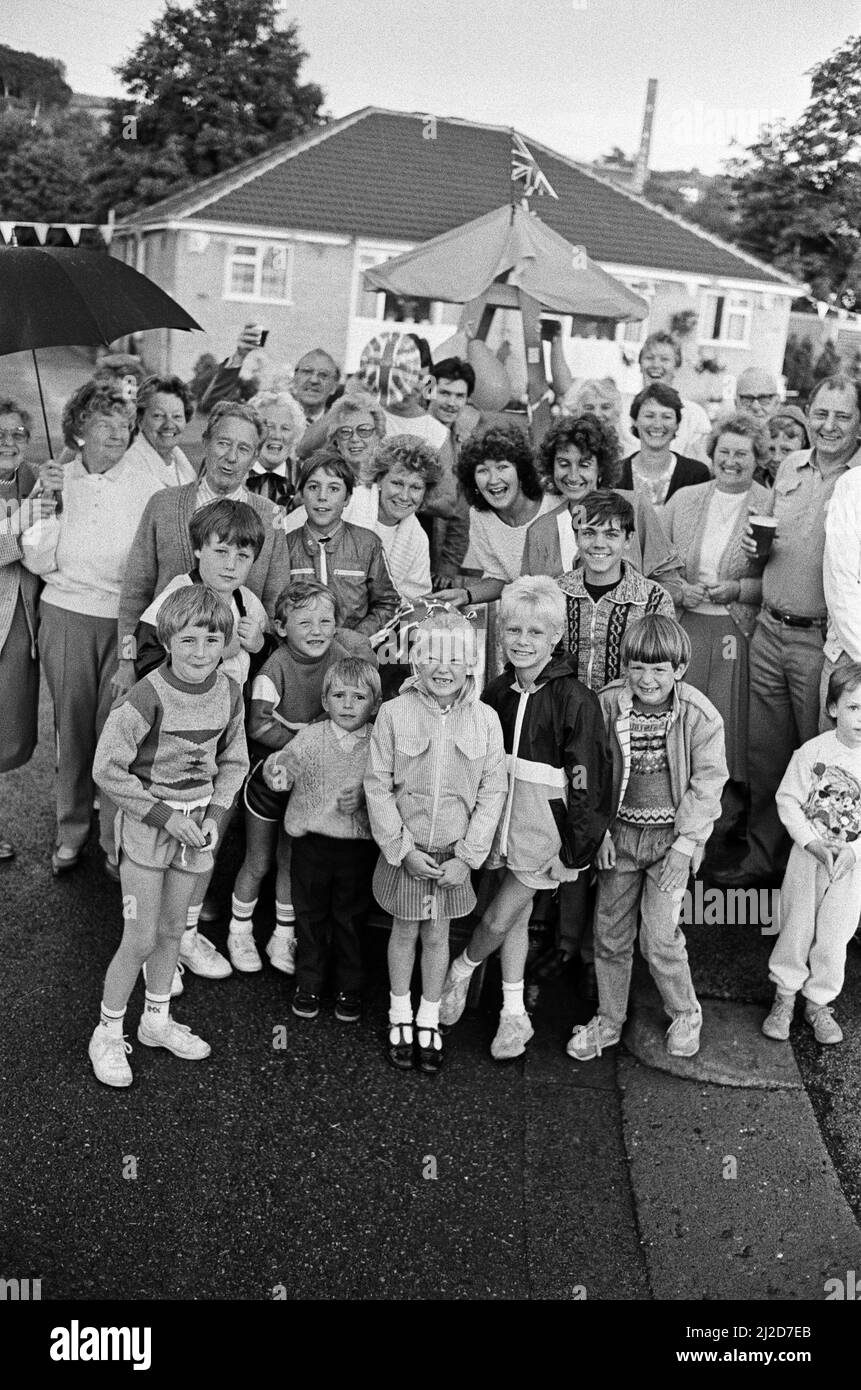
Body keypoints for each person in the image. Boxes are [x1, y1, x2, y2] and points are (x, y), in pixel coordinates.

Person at [438, 578, 613, 1059]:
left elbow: (587, 779)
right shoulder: (497, 691)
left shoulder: (576, 699)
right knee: (513, 918)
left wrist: (576, 849)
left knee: (498, 914)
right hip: (500, 822)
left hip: (546, 830)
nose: (522, 640)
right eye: (513, 629)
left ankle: (461, 968)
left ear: (555, 637)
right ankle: (513, 1015)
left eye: (535, 632)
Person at [88, 586, 249, 1087]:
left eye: (212, 640)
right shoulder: (145, 695)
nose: (200, 653)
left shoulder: (229, 692)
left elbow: (234, 762)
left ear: (225, 643)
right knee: (137, 938)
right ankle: (108, 1033)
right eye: (189, 641)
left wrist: (213, 818)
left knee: (171, 933)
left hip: (197, 832)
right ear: (168, 640)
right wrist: (163, 816)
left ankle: (156, 1020)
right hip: (148, 831)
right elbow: (107, 768)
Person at [714, 374, 861, 888]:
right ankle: (760, 859)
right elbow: (770, 548)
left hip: (824, 643)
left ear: (859, 422)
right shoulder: (790, 468)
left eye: (843, 416)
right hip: (770, 631)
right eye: (821, 413)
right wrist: (758, 552)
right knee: (766, 754)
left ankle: (820, 880)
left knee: (823, 762)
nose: (829, 425)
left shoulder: (860, 481)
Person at [567, 615, 728, 1063]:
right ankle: (609, 1019)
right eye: (638, 667)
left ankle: (685, 1011)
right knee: (610, 933)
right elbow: (590, 774)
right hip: (618, 837)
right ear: (624, 666)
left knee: (658, 937)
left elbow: (708, 784)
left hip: (670, 843)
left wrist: (686, 845)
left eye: (660, 669)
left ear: (680, 668)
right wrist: (596, 832)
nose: (647, 679)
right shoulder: (608, 705)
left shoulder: (698, 714)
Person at [365, 610, 507, 1072]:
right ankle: (399, 1013)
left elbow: (493, 793)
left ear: (471, 664)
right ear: (415, 662)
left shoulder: (486, 720)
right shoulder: (392, 714)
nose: (443, 668)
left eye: (455, 658)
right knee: (404, 931)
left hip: (452, 858)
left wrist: (468, 858)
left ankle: (429, 1015)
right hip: (407, 854)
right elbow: (377, 786)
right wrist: (402, 850)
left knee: (438, 934)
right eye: (431, 657)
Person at [21, 381, 152, 877]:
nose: (118, 434)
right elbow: (35, 558)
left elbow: (149, 569)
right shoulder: (57, 480)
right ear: (78, 431)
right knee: (72, 734)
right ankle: (70, 831)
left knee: (117, 737)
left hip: (123, 622)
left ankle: (113, 841)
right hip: (65, 616)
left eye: (124, 425)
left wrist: (130, 640)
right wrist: (48, 503)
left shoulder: (145, 487)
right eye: (104, 424)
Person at [228, 581, 375, 975]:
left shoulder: (340, 658)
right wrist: (308, 743)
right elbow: (258, 726)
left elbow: (361, 695)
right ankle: (239, 930)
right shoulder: (274, 668)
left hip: (313, 781)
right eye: (304, 621)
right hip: (270, 776)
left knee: (291, 861)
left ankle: (282, 936)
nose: (316, 630)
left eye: (325, 620)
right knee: (258, 861)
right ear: (279, 627)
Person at [116, 400, 290, 699]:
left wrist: (260, 644)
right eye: (223, 442)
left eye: (244, 449)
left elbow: (276, 604)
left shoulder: (270, 515)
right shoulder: (163, 504)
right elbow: (136, 591)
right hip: (166, 666)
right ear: (206, 442)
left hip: (237, 680)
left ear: (254, 458)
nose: (231, 457)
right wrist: (126, 660)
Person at [262, 656, 382, 1022]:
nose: (348, 705)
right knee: (310, 916)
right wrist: (277, 771)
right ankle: (309, 981)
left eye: (358, 697)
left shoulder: (379, 742)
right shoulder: (311, 738)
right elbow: (282, 767)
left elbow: (394, 782)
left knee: (350, 919)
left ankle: (350, 985)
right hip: (311, 845)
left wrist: (364, 795)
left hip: (357, 847)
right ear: (325, 700)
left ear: (375, 704)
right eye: (339, 696)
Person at [662, 414, 770, 810]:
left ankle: (719, 831)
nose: (731, 461)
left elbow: (779, 580)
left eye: (742, 453)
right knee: (681, 725)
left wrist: (737, 588)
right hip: (686, 626)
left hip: (733, 633)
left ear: (758, 458)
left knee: (722, 730)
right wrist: (679, 590)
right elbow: (652, 561)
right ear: (711, 454)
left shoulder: (769, 504)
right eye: (724, 451)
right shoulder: (686, 499)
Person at [762, 662, 861, 1047]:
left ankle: (819, 1002)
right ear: (833, 707)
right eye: (854, 707)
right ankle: (785, 995)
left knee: (836, 934)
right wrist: (810, 842)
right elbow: (787, 800)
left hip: (850, 868)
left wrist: (853, 852)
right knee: (797, 925)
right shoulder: (813, 753)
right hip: (808, 859)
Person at [522, 413, 683, 600]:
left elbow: (672, 586)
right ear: (551, 467)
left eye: (584, 464)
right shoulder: (540, 531)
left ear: (601, 469)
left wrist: (632, 608)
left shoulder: (634, 507)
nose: (573, 475)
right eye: (564, 464)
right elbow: (528, 602)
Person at [133, 500, 267, 687]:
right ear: (198, 549)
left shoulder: (247, 601)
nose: (231, 565)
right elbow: (146, 662)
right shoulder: (176, 597)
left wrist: (261, 646)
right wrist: (218, 655)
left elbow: (271, 664)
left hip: (234, 710)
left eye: (242, 556)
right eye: (221, 551)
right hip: (184, 710)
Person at [559, 491, 676, 691]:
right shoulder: (555, 592)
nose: (598, 543)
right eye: (588, 533)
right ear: (577, 538)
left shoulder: (654, 600)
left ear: (628, 539)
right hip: (564, 715)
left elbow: (664, 671)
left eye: (611, 534)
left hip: (626, 714)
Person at [437, 424, 558, 608]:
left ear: (521, 471)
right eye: (483, 470)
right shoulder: (480, 516)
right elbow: (499, 579)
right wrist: (465, 595)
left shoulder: (553, 504)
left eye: (502, 467)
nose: (493, 480)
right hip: (526, 617)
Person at [0, 401, 48, 860]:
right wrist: (23, 527)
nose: (8, 442)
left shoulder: (36, 477)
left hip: (22, 621)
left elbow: (53, 533)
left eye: (18, 433)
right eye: (0, 433)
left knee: (8, 728)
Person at [284, 451, 399, 635]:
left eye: (334, 489)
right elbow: (273, 604)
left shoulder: (368, 544)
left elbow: (388, 603)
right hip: (298, 655)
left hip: (352, 654)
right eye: (313, 487)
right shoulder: (285, 546)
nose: (322, 496)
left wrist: (357, 637)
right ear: (301, 495)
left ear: (347, 498)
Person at [619, 383, 711, 507]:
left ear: (677, 424)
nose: (657, 424)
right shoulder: (615, 474)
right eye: (649, 416)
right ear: (634, 421)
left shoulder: (697, 475)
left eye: (666, 417)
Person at [635, 331, 711, 461]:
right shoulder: (621, 411)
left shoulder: (695, 415)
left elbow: (700, 466)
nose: (656, 365)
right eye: (649, 358)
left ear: (676, 367)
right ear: (640, 365)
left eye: (664, 359)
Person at [120, 375, 197, 492]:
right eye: (158, 416)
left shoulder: (178, 459)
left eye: (177, 416)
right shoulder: (130, 465)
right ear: (140, 419)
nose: (169, 425)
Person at [243, 390, 307, 510]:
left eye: (285, 428)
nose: (277, 436)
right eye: (269, 426)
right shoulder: (234, 470)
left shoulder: (306, 477)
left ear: (295, 435)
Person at [762, 404, 810, 487]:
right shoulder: (753, 484)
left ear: (804, 450)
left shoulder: (815, 490)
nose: (776, 458)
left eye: (786, 450)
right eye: (771, 449)